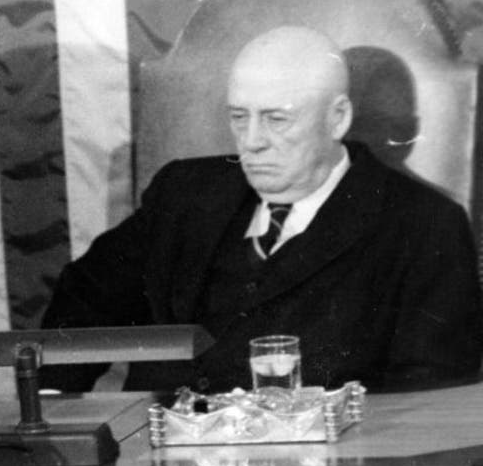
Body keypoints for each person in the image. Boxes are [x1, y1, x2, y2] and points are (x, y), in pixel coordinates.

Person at [42, 25, 483, 393]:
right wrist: (57, 408)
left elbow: (430, 396)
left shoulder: (422, 226)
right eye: (239, 117)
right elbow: (84, 301)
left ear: (338, 118)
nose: (251, 141)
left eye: (276, 119)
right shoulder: (184, 193)